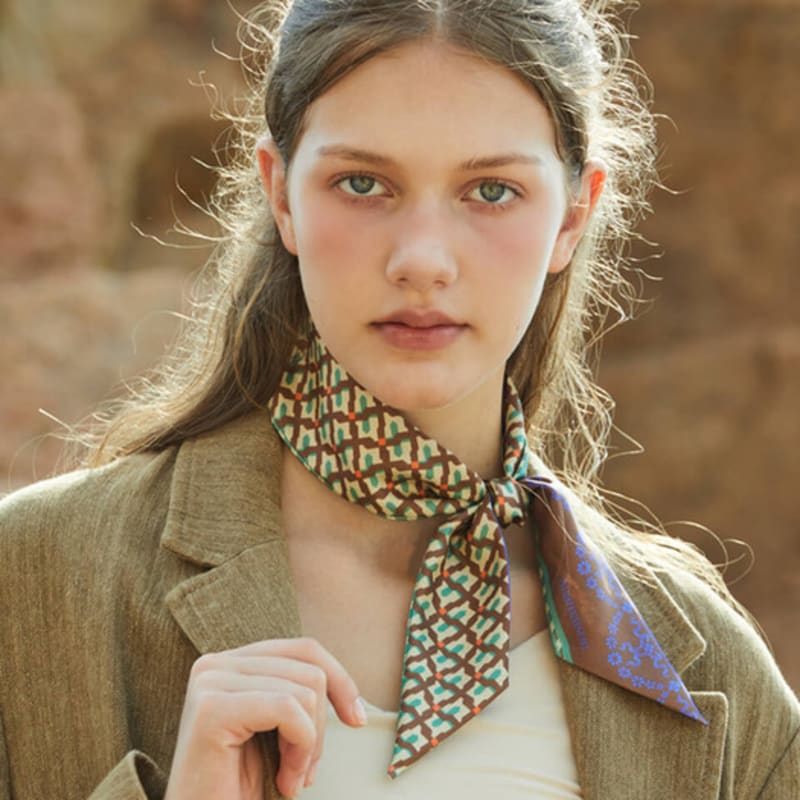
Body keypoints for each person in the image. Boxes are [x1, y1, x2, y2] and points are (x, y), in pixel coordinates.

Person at [0, 0, 797, 798]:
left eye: (492, 191)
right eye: (362, 183)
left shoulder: (701, 663)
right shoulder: (35, 576)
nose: (422, 260)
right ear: (282, 194)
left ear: (573, 214)